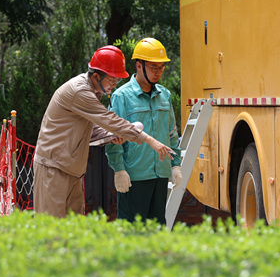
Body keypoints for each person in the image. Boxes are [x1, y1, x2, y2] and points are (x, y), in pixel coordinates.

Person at [33, 45, 175, 218]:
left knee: (72, 227)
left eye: (117, 82)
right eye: (111, 81)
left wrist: (112, 136)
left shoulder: (94, 91)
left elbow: (91, 130)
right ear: (96, 76)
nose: (114, 86)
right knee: (51, 227)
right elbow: (108, 119)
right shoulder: (80, 91)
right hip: (54, 166)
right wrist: (149, 140)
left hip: (71, 168)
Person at [106, 38, 182, 224]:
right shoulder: (121, 96)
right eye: (153, 67)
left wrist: (176, 164)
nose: (158, 72)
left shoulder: (164, 95)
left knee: (156, 230)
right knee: (133, 230)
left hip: (160, 174)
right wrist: (119, 170)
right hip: (134, 177)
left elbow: (172, 132)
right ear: (139, 65)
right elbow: (112, 136)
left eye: (161, 68)